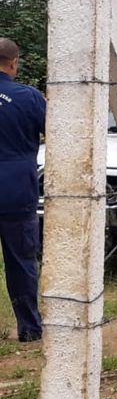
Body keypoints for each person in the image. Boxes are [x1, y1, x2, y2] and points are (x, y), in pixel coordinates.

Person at [0, 39, 46, 343]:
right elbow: (56, 132)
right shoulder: (28, 97)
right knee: (21, 262)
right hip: (16, 190)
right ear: (14, 63)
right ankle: (29, 329)